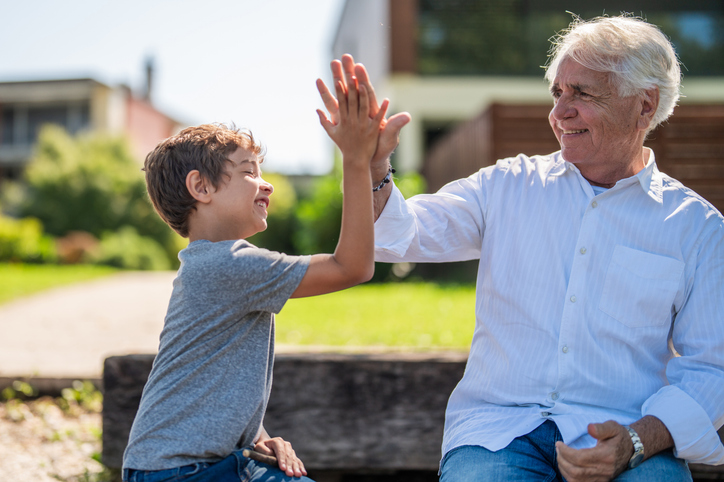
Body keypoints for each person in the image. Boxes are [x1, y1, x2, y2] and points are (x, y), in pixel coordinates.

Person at [318, 14, 724, 482]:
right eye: (558, 93)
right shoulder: (507, 184)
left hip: (627, 434)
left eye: (583, 94)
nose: (559, 112)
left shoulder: (697, 227)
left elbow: (712, 371)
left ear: (644, 105)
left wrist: (637, 442)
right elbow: (399, 234)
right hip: (499, 430)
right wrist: (372, 168)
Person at [122, 75, 388, 482]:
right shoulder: (228, 263)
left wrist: (255, 438)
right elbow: (352, 267)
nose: (267, 184)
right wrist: (356, 160)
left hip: (175, 467)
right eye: (249, 172)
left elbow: (216, 381)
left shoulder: (212, 264)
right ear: (201, 186)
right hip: (181, 473)